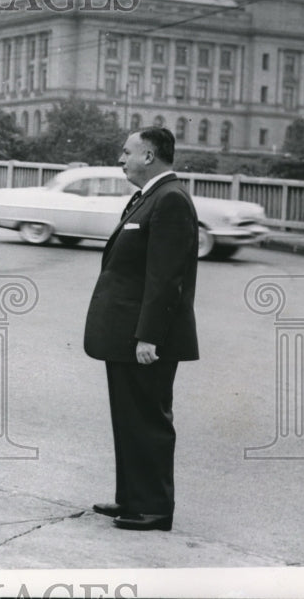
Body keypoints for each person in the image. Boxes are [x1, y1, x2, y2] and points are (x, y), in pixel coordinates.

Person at [83, 127, 199, 531]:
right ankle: (131, 499)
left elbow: (166, 278)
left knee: (147, 421)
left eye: (126, 151)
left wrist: (149, 335)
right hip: (127, 335)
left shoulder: (170, 200)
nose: (121, 158)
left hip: (145, 339)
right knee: (129, 419)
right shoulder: (151, 196)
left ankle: (153, 508)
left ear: (148, 156)